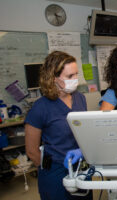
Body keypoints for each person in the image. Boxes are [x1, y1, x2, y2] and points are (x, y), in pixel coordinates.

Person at [25, 51, 91, 200]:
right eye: (69, 76)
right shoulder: (41, 107)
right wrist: (51, 168)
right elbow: (31, 151)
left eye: (76, 74)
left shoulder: (80, 98)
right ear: (54, 78)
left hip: (80, 166)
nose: (75, 80)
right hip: (55, 172)